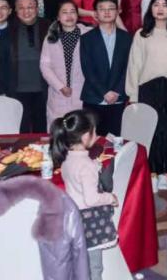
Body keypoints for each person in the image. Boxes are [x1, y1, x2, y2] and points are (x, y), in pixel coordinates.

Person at [50, 110, 118, 280]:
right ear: (86, 136)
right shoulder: (86, 165)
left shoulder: (67, 159)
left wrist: (93, 166)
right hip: (90, 222)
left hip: (73, 217)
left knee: (79, 263)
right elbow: (91, 199)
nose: (97, 135)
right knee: (94, 266)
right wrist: (110, 198)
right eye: (94, 132)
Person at [125, 0, 167, 192]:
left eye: (165, 5)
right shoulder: (142, 34)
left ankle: (164, 173)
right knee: (151, 132)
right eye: (156, 4)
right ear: (150, 8)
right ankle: (152, 173)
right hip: (147, 87)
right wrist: (133, 95)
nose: (160, 8)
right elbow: (134, 65)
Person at [79, 0, 132, 137]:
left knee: (116, 141)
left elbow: (129, 68)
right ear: (96, 13)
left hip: (118, 99)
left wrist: (117, 91)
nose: (107, 12)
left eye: (111, 8)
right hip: (93, 97)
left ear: (118, 11)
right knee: (91, 140)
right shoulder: (86, 38)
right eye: (102, 9)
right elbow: (87, 69)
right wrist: (104, 92)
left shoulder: (127, 38)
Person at [3, 0, 50, 133]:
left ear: (37, 8)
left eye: (30, 7)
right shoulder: (8, 30)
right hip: (17, 88)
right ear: (15, 11)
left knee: (42, 129)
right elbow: (1, 61)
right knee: (20, 130)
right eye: (21, 8)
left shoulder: (49, 26)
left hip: (44, 88)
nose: (26, 11)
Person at [41, 1, 90, 127]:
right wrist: (60, 86)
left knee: (80, 129)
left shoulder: (88, 34)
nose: (69, 16)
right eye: (64, 12)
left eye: (72, 12)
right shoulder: (51, 37)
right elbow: (45, 65)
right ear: (58, 17)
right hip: (58, 93)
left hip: (83, 93)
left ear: (77, 15)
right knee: (58, 130)